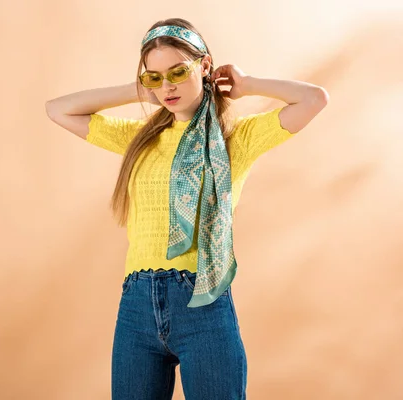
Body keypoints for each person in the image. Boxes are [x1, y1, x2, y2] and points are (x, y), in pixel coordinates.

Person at [45, 17, 328, 400]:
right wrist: (137, 90)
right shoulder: (138, 140)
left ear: (205, 66)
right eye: (155, 77)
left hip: (203, 304)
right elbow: (59, 109)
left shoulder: (235, 139)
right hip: (137, 307)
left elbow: (314, 99)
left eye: (178, 72)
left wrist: (246, 85)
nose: (168, 86)